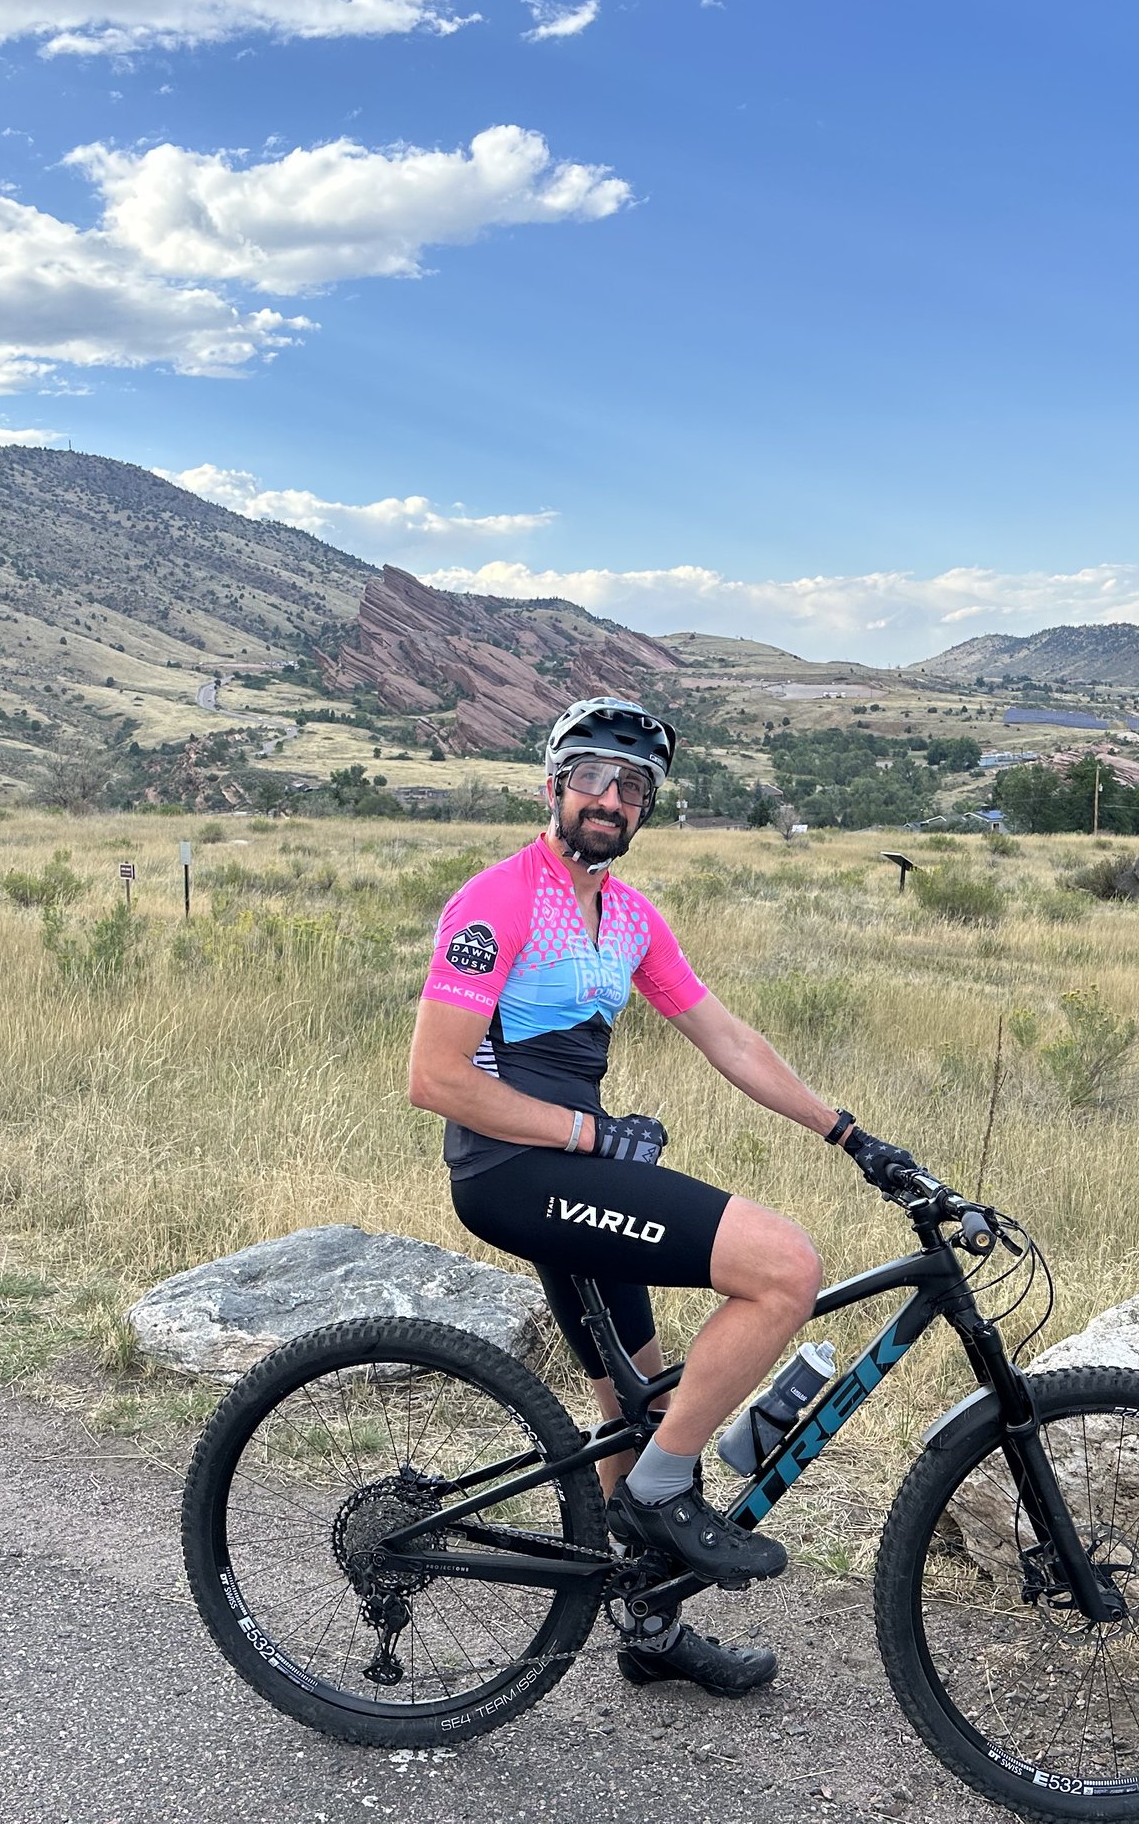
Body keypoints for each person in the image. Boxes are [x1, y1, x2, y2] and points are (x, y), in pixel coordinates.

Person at [405, 697, 918, 1697]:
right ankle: (660, 1494)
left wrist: (849, 1135)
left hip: (574, 1176)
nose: (610, 797)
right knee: (786, 1270)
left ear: (645, 808)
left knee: (635, 1403)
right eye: (592, 775)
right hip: (515, 1172)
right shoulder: (495, 902)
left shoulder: (629, 918)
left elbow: (727, 1039)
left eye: (631, 785)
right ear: (551, 785)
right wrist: (590, 1134)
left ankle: (644, 1619)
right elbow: (436, 1079)